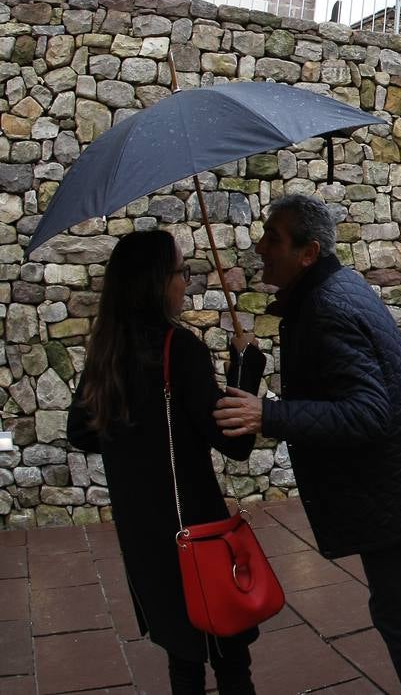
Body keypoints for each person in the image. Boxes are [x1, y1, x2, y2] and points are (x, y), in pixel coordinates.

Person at [213, 195, 401, 695]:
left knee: (396, 614)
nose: (260, 246)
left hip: (388, 486)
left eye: (274, 238)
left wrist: (268, 413)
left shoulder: (324, 307)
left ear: (308, 253)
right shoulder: (336, 286)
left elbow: (367, 411)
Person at [66, 229, 265, 695]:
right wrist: (245, 368)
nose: (186, 283)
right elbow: (233, 443)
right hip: (195, 533)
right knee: (229, 658)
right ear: (157, 282)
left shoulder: (106, 352)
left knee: (184, 660)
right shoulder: (180, 351)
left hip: (146, 538)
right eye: (181, 271)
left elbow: (81, 432)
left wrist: (138, 441)